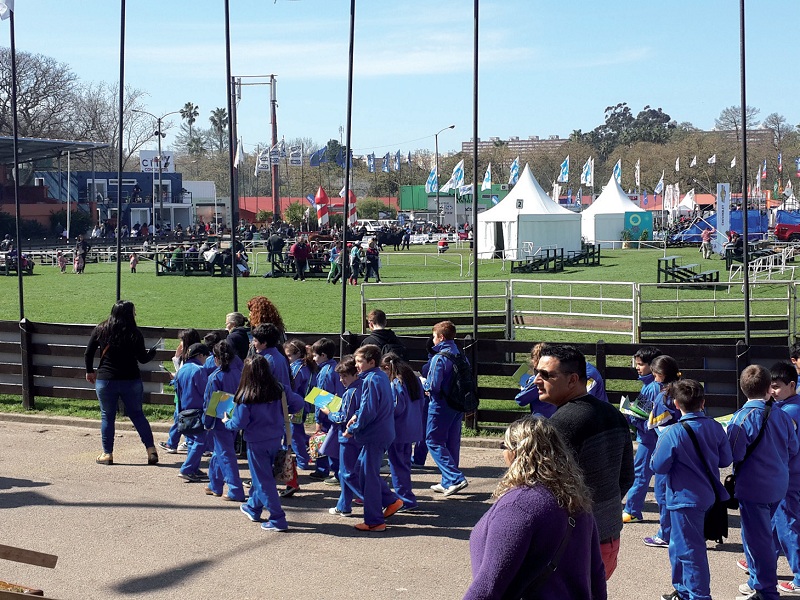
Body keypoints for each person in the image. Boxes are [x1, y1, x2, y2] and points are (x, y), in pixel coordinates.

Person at [464, 417, 607, 600]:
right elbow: (596, 574)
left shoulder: (516, 507)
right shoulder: (576, 501)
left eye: (504, 446)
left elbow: (487, 586)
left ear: (515, 452)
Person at [534, 343, 634, 580]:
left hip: (573, 545)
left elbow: (542, 489)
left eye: (546, 375)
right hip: (609, 539)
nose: (536, 380)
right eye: (537, 373)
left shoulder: (559, 426)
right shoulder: (613, 414)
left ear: (572, 380)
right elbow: (627, 477)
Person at [651, 379, 732, 600]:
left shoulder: (673, 432)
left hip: (683, 498)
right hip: (708, 494)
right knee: (681, 545)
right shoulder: (714, 427)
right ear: (703, 402)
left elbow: (658, 466)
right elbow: (725, 460)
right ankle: (683, 590)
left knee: (690, 551)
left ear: (676, 404)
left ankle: (698, 595)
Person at [728, 364, 799, 600]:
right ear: (769, 387)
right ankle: (757, 582)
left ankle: (765, 589)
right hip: (779, 484)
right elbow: (792, 448)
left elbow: (734, 454)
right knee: (767, 534)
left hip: (753, 487)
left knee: (757, 541)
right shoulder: (783, 415)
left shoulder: (742, 417)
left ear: (742, 388)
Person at [224, 355, 304, 532]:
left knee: (263, 480)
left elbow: (239, 423)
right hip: (276, 438)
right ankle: (253, 507)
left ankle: (277, 518)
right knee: (263, 477)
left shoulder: (246, 396)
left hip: (256, 442)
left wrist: (226, 422)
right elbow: (298, 403)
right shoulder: (279, 389)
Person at [84, 300, 159, 466]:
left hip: (106, 379)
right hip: (131, 379)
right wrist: (152, 353)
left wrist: (89, 371)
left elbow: (88, 353)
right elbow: (143, 359)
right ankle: (151, 450)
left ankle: (107, 454)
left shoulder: (101, 329)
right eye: (134, 311)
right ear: (129, 314)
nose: (135, 314)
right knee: (137, 414)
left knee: (107, 416)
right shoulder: (135, 333)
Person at [344, 344, 403, 532]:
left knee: (368, 477)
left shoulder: (370, 380)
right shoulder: (379, 376)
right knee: (360, 471)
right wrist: (357, 415)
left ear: (371, 362)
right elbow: (372, 406)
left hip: (374, 434)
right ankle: (391, 501)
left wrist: (352, 428)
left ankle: (375, 521)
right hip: (382, 432)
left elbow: (369, 411)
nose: (356, 365)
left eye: (359, 361)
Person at [422, 320, 469, 496]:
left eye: (434, 336)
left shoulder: (439, 358)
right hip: (458, 403)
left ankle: (455, 477)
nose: (433, 340)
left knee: (433, 440)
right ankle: (447, 481)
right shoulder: (460, 354)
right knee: (452, 442)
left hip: (440, 404)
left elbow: (433, 386)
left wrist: (423, 384)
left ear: (441, 337)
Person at [644, 355, 683, 549]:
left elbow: (656, 425)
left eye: (654, 374)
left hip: (667, 447)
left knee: (663, 492)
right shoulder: (686, 388)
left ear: (661, 374)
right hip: (689, 447)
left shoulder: (663, 395)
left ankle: (665, 534)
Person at [768, 362, 800, 594]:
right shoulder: (791, 406)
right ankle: (763, 561)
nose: (772, 392)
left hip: (789, 477)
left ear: (791, 385)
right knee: (777, 521)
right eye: (770, 387)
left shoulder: (788, 413)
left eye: (777, 387)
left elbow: (781, 447)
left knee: (788, 525)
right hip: (788, 475)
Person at [622, 345, 662, 524]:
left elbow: (642, 416)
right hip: (660, 438)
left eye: (640, 364)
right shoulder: (662, 385)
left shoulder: (650, 388)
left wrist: (629, 415)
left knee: (640, 474)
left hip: (648, 439)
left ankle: (632, 510)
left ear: (652, 366)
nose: (637, 368)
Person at [203, 341, 246, 502]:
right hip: (236, 415)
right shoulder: (240, 373)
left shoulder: (215, 376)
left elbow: (209, 404)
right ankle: (215, 484)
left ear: (216, 358)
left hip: (219, 419)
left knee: (225, 453)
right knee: (220, 451)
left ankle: (235, 489)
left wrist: (207, 423)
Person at [381, 352, 423, 512]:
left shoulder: (395, 384)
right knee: (404, 465)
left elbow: (396, 408)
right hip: (412, 428)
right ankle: (407, 498)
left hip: (398, 430)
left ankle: (405, 499)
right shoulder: (413, 380)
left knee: (397, 467)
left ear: (387, 368)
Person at [324, 356, 363, 516]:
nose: (341, 380)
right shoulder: (363, 386)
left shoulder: (351, 392)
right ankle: (343, 505)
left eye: (345, 376)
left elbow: (343, 418)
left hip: (347, 437)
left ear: (355, 374)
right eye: (340, 376)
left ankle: (378, 500)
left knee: (347, 472)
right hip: (358, 436)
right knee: (345, 472)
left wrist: (329, 412)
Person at [159, 328, 202, 454]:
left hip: (186, 393)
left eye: (182, 340)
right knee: (180, 417)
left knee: (181, 417)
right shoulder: (188, 355)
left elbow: (182, 372)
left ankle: (176, 443)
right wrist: (177, 356)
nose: (180, 343)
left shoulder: (192, 357)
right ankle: (175, 442)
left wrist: (176, 375)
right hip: (183, 392)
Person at [175, 343, 211, 483]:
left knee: (191, 441)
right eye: (205, 356)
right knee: (200, 441)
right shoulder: (199, 370)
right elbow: (205, 392)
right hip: (198, 411)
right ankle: (187, 469)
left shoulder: (182, 369)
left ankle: (194, 469)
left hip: (185, 410)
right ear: (200, 355)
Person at [310, 338, 345, 481]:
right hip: (337, 408)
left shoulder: (324, 373)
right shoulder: (335, 366)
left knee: (324, 441)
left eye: (315, 355)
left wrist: (318, 419)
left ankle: (325, 470)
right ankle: (331, 470)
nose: (313, 358)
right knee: (333, 441)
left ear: (323, 355)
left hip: (328, 412)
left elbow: (321, 399)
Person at [284, 339, 316, 476]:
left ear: (297, 354)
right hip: (305, 403)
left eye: (289, 356)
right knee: (295, 432)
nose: (287, 359)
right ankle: (302, 453)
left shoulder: (297, 368)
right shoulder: (307, 366)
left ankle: (303, 460)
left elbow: (293, 386)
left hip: (297, 404)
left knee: (294, 434)